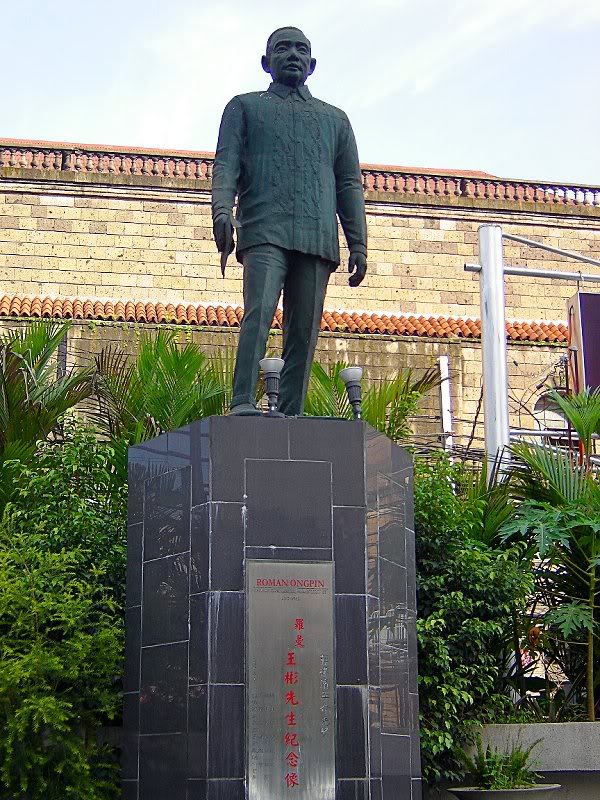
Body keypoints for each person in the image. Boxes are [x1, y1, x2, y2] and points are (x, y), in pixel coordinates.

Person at [212, 26, 367, 416]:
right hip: (264, 229)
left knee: (303, 333)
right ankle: (242, 400)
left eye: (301, 50)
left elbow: (349, 183)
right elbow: (225, 165)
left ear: (312, 65)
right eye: (283, 49)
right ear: (266, 62)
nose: (293, 55)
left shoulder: (336, 120)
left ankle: (291, 411)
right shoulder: (245, 107)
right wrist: (221, 211)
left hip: (316, 236)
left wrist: (358, 242)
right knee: (258, 314)